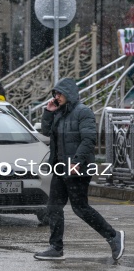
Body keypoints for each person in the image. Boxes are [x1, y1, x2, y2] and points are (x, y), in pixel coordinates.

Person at [34, 77, 125, 261]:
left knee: (80, 208)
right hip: (60, 168)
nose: (57, 97)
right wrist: (48, 112)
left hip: (78, 169)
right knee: (53, 207)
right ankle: (56, 248)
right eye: (55, 94)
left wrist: (76, 162)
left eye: (59, 94)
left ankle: (114, 236)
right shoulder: (59, 113)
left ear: (69, 94)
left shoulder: (83, 112)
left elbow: (89, 139)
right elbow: (45, 131)